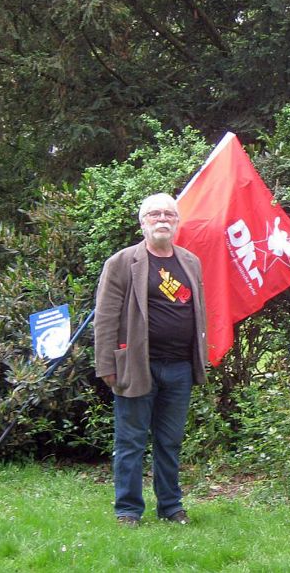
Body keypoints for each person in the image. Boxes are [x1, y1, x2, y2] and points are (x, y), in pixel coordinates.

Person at [94, 193, 208, 527]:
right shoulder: (121, 262)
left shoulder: (190, 261)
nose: (162, 219)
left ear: (177, 222)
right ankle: (128, 510)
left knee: (170, 442)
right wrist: (107, 366)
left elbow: (197, 312)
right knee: (130, 442)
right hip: (136, 366)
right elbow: (105, 318)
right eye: (154, 214)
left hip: (179, 368)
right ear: (143, 222)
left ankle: (171, 507)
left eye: (169, 214)